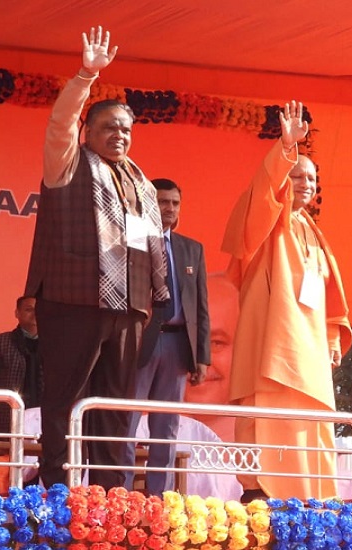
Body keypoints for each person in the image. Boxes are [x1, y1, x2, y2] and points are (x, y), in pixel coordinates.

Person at [24, 27, 168, 489]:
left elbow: (153, 246)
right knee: (65, 402)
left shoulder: (143, 184)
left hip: (128, 311)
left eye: (126, 128)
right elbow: (60, 123)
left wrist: (157, 298)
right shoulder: (68, 161)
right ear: (88, 133)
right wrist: (87, 76)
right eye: (109, 127)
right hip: (73, 302)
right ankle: (56, 496)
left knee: (113, 410)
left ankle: (110, 501)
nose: (119, 135)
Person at [221, 100, 352, 501]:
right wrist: (285, 149)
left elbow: (329, 298)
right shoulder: (270, 224)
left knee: (312, 427)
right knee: (269, 422)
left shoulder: (312, 231)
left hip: (310, 355)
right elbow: (265, 193)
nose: (304, 184)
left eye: (310, 179)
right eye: (296, 177)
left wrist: (331, 340)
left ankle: (313, 500)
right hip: (273, 349)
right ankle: (262, 492)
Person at [124, 178, 210, 495]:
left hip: (176, 344)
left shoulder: (191, 249)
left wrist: (201, 357)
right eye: (162, 202)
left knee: (166, 428)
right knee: (127, 423)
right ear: (149, 204)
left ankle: (159, 500)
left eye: (175, 203)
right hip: (139, 341)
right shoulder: (131, 240)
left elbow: (200, 307)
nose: (169, 208)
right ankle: (120, 495)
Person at [183, 272, 239, 443]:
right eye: (187, 343)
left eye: (216, 343)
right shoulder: (137, 441)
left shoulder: (281, 449)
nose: (200, 361)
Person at [0, 296, 44, 433]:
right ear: (17, 313)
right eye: (29, 310)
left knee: (43, 453)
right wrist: (3, 406)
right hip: (7, 416)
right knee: (7, 453)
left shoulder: (55, 345)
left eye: (39, 310)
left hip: (44, 417)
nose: (35, 315)